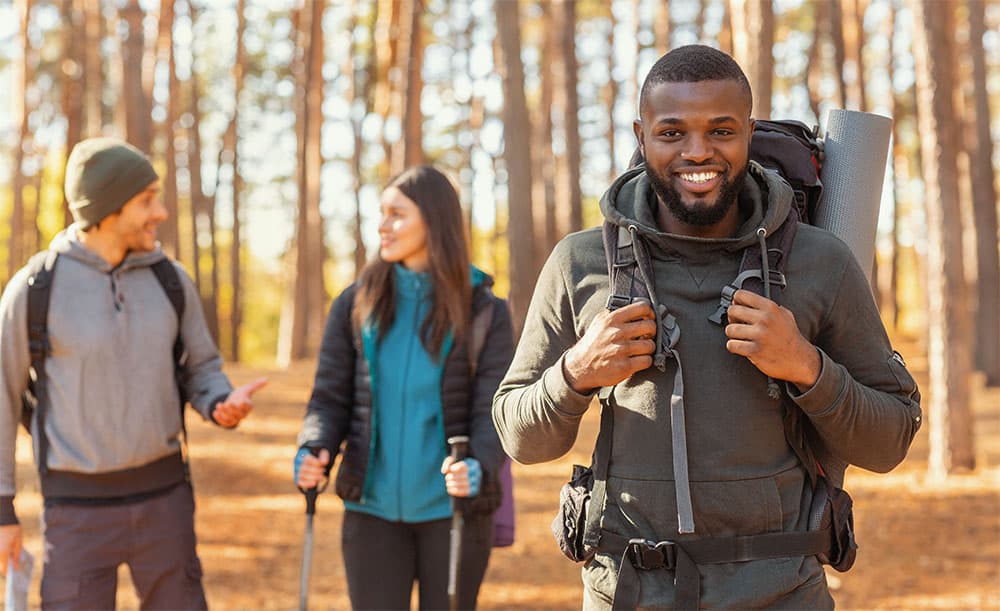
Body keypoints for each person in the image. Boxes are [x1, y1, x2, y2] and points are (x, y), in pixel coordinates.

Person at [492, 45, 922, 610]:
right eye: (672, 133)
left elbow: (890, 440)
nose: (699, 152)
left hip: (783, 595)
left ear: (748, 132)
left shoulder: (822, 262)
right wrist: (575, 373)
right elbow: (519, 437)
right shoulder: (580, 262)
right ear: (641, 136)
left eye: (721, 131)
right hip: (626, 593)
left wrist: (807, 367)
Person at [0, 137, 266, 609]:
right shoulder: (35, 289)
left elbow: (201, 367)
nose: (160, 213)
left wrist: (218, 401)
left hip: (166, 503)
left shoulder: (170, 279)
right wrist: (2, 509)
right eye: (146, 201)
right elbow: (2, 397)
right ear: (105, 208)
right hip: (75, 513)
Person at [295, 165, 514, 610]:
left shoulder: (485, 310)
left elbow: (497, 408)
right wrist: (313, 445)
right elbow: (329, 398)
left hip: (454, 512)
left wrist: (478, 464)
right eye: (381, 213)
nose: (382, 225)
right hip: (370, 512)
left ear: (434, 220)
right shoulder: (355, 302)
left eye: (397, 214)